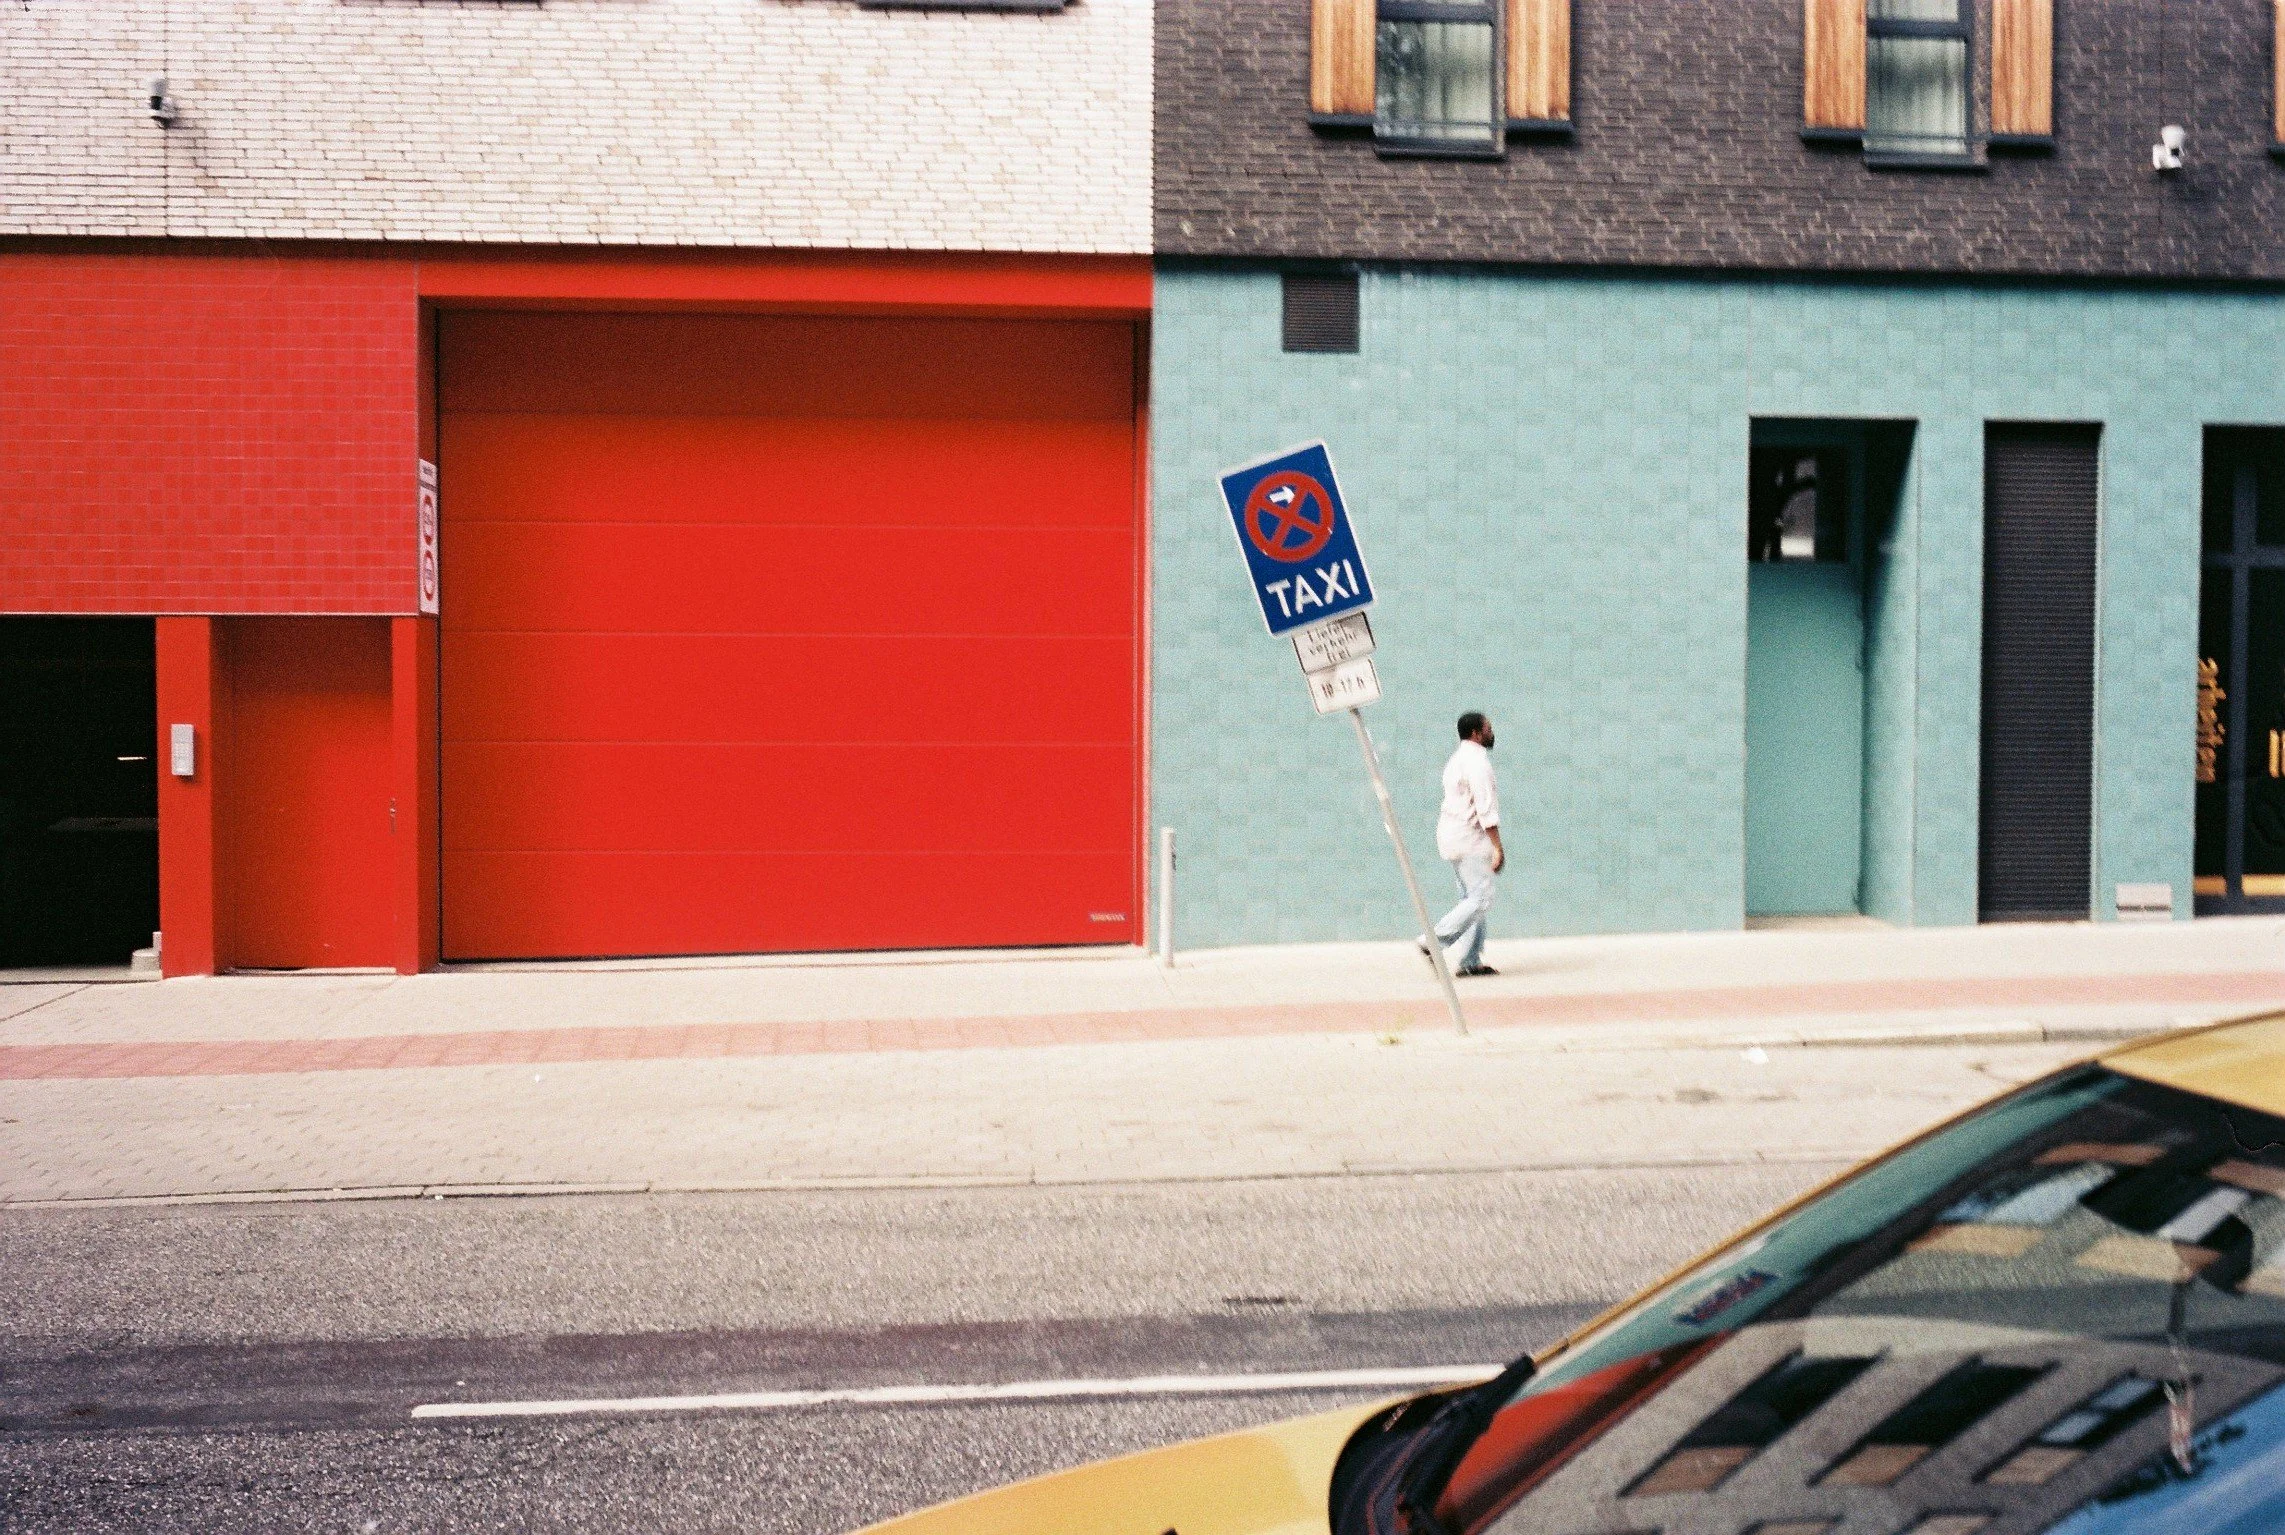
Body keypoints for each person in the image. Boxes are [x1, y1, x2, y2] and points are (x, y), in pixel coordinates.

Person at [1424, 711, 1502, 977]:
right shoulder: (1478, 763)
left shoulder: (1456, 760)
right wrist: (1498, 847)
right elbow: (1485, 807)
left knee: (1469, 900)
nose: (1492, 733)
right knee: (1481, 898)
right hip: (1469, 839)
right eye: (1488, 729)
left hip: (1452, 836)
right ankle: (1433, 941)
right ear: (1476, 733)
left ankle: (1470, 962)